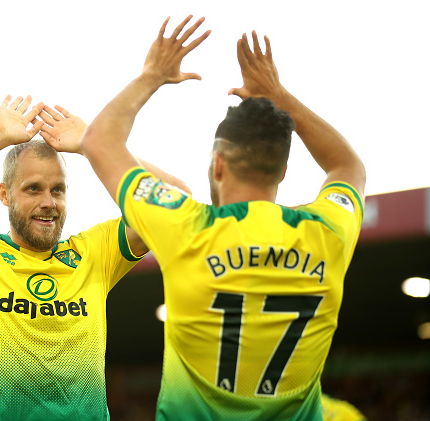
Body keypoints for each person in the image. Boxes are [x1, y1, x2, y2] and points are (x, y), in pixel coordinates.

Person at [76, 16, 366, 420]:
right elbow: (347, 166)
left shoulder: (185, 226)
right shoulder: (328, 232)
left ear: (217, 165)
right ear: (283, 171)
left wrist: (152, 75)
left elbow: (99, 140)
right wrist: (279, 96)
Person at [0, 95, 188, 420]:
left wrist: (95, 145)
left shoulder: (94, 253)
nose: (49, 202)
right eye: (33, 189)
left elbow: (176, 200)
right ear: (5, 194)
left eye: (58, 189)